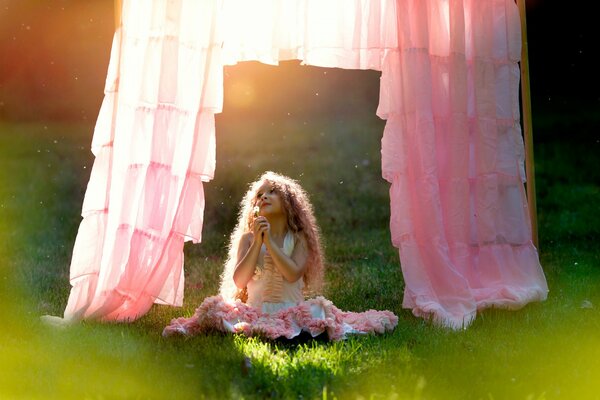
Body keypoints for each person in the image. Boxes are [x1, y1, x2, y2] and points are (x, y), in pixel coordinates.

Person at [163, 171, 397, 341]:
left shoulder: (298, 238)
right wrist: (257, 242)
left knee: (318, 314)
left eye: (272, 192)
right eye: (260, 194)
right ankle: (263, 327)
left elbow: (292, 273)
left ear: (289, 204)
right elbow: (240, 281)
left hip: (291, 309)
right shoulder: (248, 239)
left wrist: (270, 244)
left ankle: (294, 330)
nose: (264, 196)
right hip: (256, 309)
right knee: (218, 309)